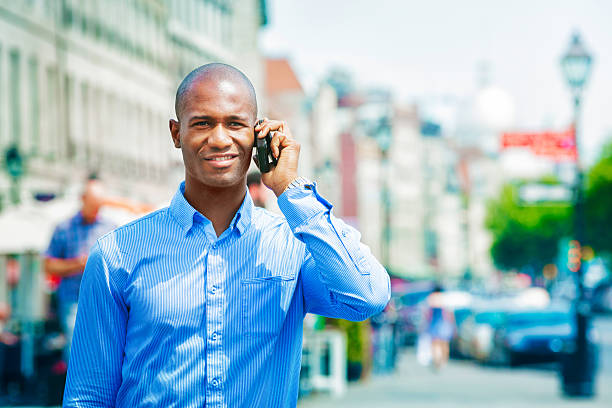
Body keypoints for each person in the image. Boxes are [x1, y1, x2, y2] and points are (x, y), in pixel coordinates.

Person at [63, 63, 390, 407]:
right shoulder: (117, 254)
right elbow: (88, 396)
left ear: (258, 134)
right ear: (176, 133)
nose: (219, 139)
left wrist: (292, 191)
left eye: (235, 124)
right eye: (202, 123)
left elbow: (367, 296)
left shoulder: (292, 247)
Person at [44, 177, 116, 361]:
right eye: (93, 204)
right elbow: (48, 265)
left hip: (103, 299)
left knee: (103, 350)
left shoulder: (110, 227)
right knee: (76, 349)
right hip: (72, 300)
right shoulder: (64, 228)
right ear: (83, 199)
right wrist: (78, 264)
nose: (96, 210)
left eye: (99, 205)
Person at [424, 284, 455, 370]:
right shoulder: (444, 298)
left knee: (434, 343)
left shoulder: (431, 298)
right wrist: (452, 324)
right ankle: (443, 361)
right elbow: (449, 313)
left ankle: (436, 360)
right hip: (444, 323)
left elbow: (427, 313)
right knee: (444, 343)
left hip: (434, 323)